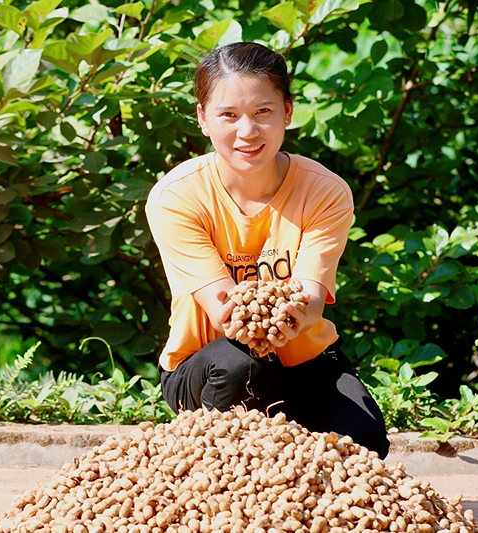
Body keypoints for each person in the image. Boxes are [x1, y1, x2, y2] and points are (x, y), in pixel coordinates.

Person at [145, 42, 389, 458]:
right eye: (228, 115)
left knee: (363, 442)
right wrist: (273, 316)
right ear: (202, 118)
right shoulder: (175, 197)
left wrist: (295, 316)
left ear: (288, 112)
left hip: (303, 361)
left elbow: (311, 300)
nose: (247, 131)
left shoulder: (325, 192)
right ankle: (209, 469)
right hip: (210, 366)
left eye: (263, 112)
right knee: (242, 364)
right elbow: (226, 314)